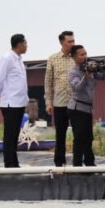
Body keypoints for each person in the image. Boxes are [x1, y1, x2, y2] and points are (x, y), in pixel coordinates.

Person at [68, 45, 105, 167]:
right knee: (79, 137)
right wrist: (87, 75)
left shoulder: (90, 67)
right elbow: (77, 88)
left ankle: (89, 163)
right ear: (74, 57)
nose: (85, 57)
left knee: (88, 137)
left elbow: (102, 77)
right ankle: (77, 165)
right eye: (81, 54)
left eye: (85, 54)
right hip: (77, 108)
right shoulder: (73, 72)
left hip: (88, 108)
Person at [0, 34, 29, 168]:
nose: (27, 46)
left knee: (15, 134)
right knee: (9, 135)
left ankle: (14, 162)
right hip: (10, 102)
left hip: (20, 102)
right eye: (25, 43)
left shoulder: (19, 59)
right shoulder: (7, 58)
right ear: (19, 44)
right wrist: (6, 95)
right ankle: (9, 163)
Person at [44, 31, 75, 167]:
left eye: (73, 41)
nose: (72, 44)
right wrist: (48, 102)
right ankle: (59, 162)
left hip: (76, 102)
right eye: (69, 41)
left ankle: (78, 161)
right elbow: (48, 82)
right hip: (60, 102)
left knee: (79, 133)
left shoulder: (77, 57)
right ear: (62, 42)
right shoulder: (53, 58)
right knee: (60, 134)